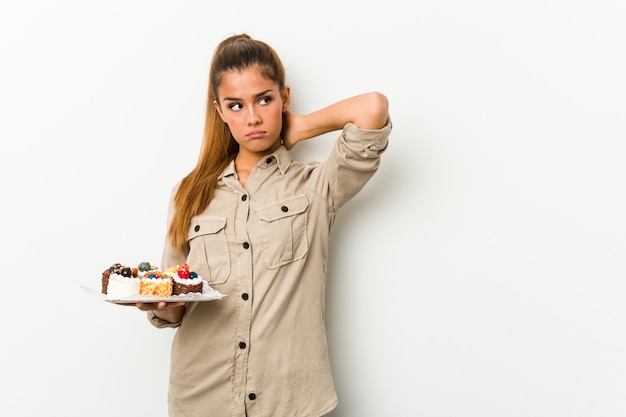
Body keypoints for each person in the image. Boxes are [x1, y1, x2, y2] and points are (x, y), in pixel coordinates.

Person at [135, 33, 391, 417]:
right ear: (219, 110)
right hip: (201, 399)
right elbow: (173, 300)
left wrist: (301, 127)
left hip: (289, 401)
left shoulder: (317, 186)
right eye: (235, 105)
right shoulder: (186, 194)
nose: (252, 117)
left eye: (264, 100)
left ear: (284, 98)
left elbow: (373, 108)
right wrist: (163, 307)